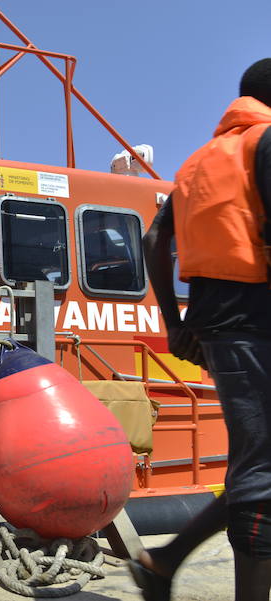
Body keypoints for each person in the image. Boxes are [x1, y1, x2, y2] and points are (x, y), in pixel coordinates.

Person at [134, 59, 271, 601]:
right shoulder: (267, 143)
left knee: (256, 467)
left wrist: (176, 321)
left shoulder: (198, 162)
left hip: (220, 327)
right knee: (261, 474)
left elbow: (153, 240)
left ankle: (163, 560)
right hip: (256, 325)